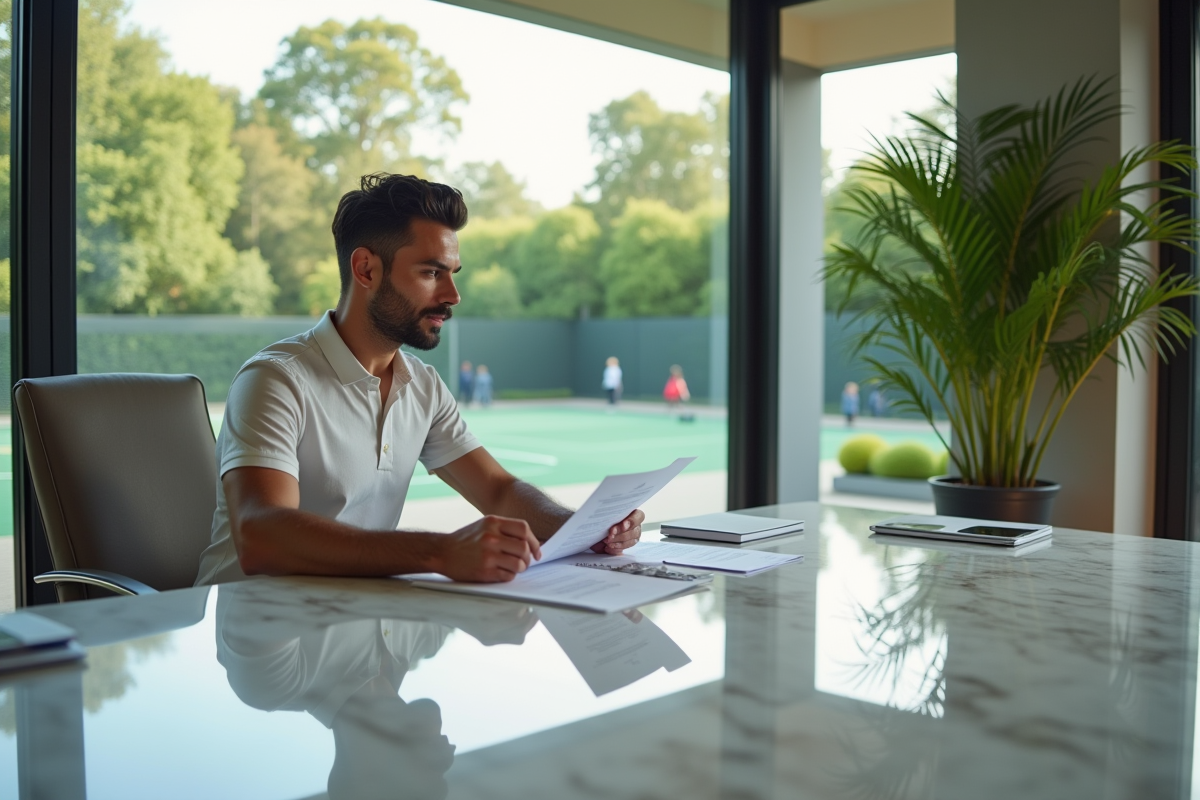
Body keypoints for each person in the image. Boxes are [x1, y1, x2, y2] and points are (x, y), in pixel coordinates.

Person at [194, 173, 643, 587]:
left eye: (452, 274)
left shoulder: (421, 386)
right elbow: (261, 535)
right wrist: (441, 551)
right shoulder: (275, 380)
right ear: (366, 269)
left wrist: (584, 527)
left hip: (355, 627)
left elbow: (498, 491)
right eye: (431, 273)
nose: (452, 296)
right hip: (252, 633)